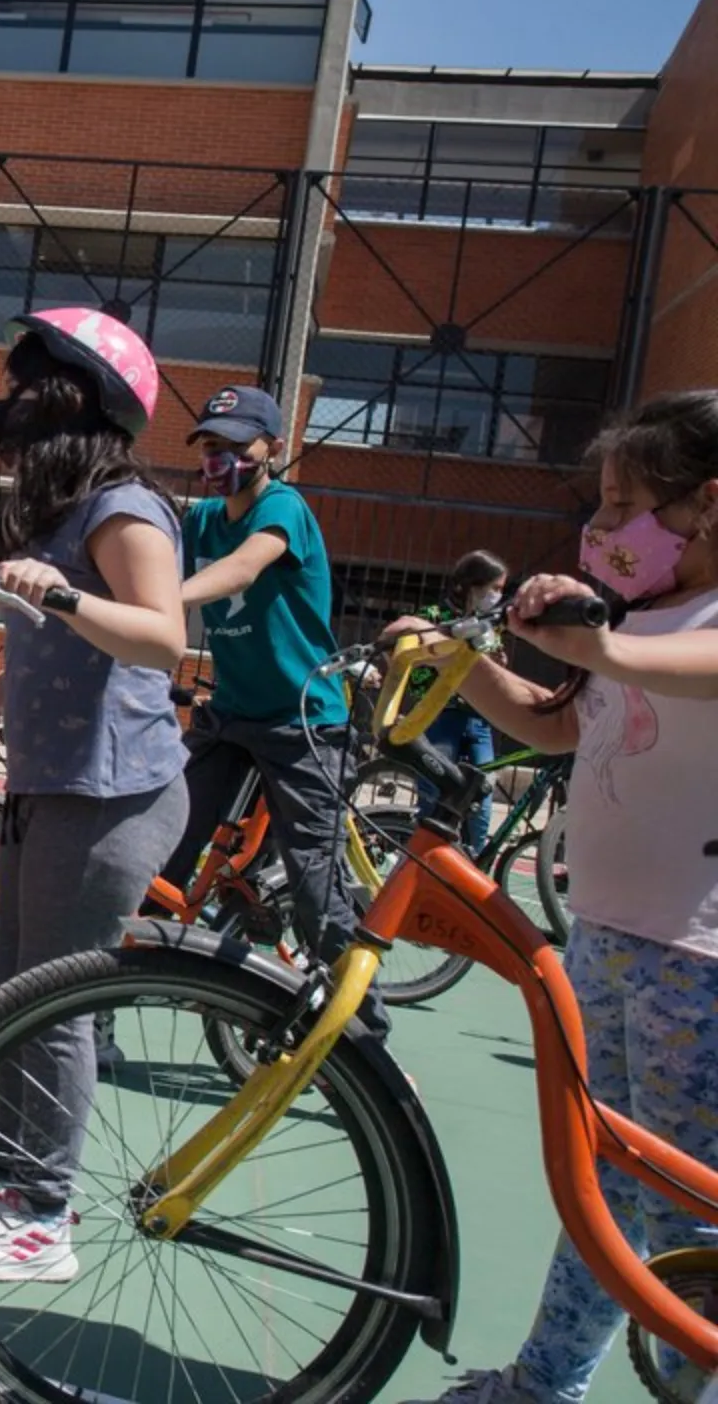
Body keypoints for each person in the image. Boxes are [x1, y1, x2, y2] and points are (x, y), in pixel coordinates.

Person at [390, 392, 718, 1404]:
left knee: (681, 1216)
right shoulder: (633, 616)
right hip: (611, 943)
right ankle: (542, 1382)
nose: (602, 529)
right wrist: (462, 662)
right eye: (603, 506)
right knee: (598, 1188)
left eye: (626, 507)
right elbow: (553, 723)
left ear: (706, 506)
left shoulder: (685, 627)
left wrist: (600, 646)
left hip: (695, 962)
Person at [0, 309, 189, 1284]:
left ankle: (40, 1212)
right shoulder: (60, 510)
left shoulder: (124, 510)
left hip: (109, 796)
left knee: (56, 1003)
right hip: (49, 784)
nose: (9, 395)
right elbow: (41, 646)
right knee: (13, 989)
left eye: (30, 381)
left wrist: (63, 594)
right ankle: (6, 1163)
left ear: (75, 401)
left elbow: (159, 637)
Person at [158, 385, 369, 984]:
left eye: (234, 444)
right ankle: (105, 1000)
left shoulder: (283, 508)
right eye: (209, 445)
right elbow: (151, 555)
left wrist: (162, 601)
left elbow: (243, 567)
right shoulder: (199, 520)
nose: (218, 458)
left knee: (315, 881)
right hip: (231, 715)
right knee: (164, 842)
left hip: (303, 723)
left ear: (273, 448)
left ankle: (365, 1037)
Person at [409, 549, 512, 858]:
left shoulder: (489, 625)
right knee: (435, 791)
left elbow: (494, 672)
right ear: (469, 585)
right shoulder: (432, 618)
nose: (496, 597)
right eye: (492, 588)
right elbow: (417, 675)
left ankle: (475, 859)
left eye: (501, 590)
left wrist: (497, 664)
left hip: (477, 718)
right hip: (440, 714)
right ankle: (426, 857)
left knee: (482, 793)